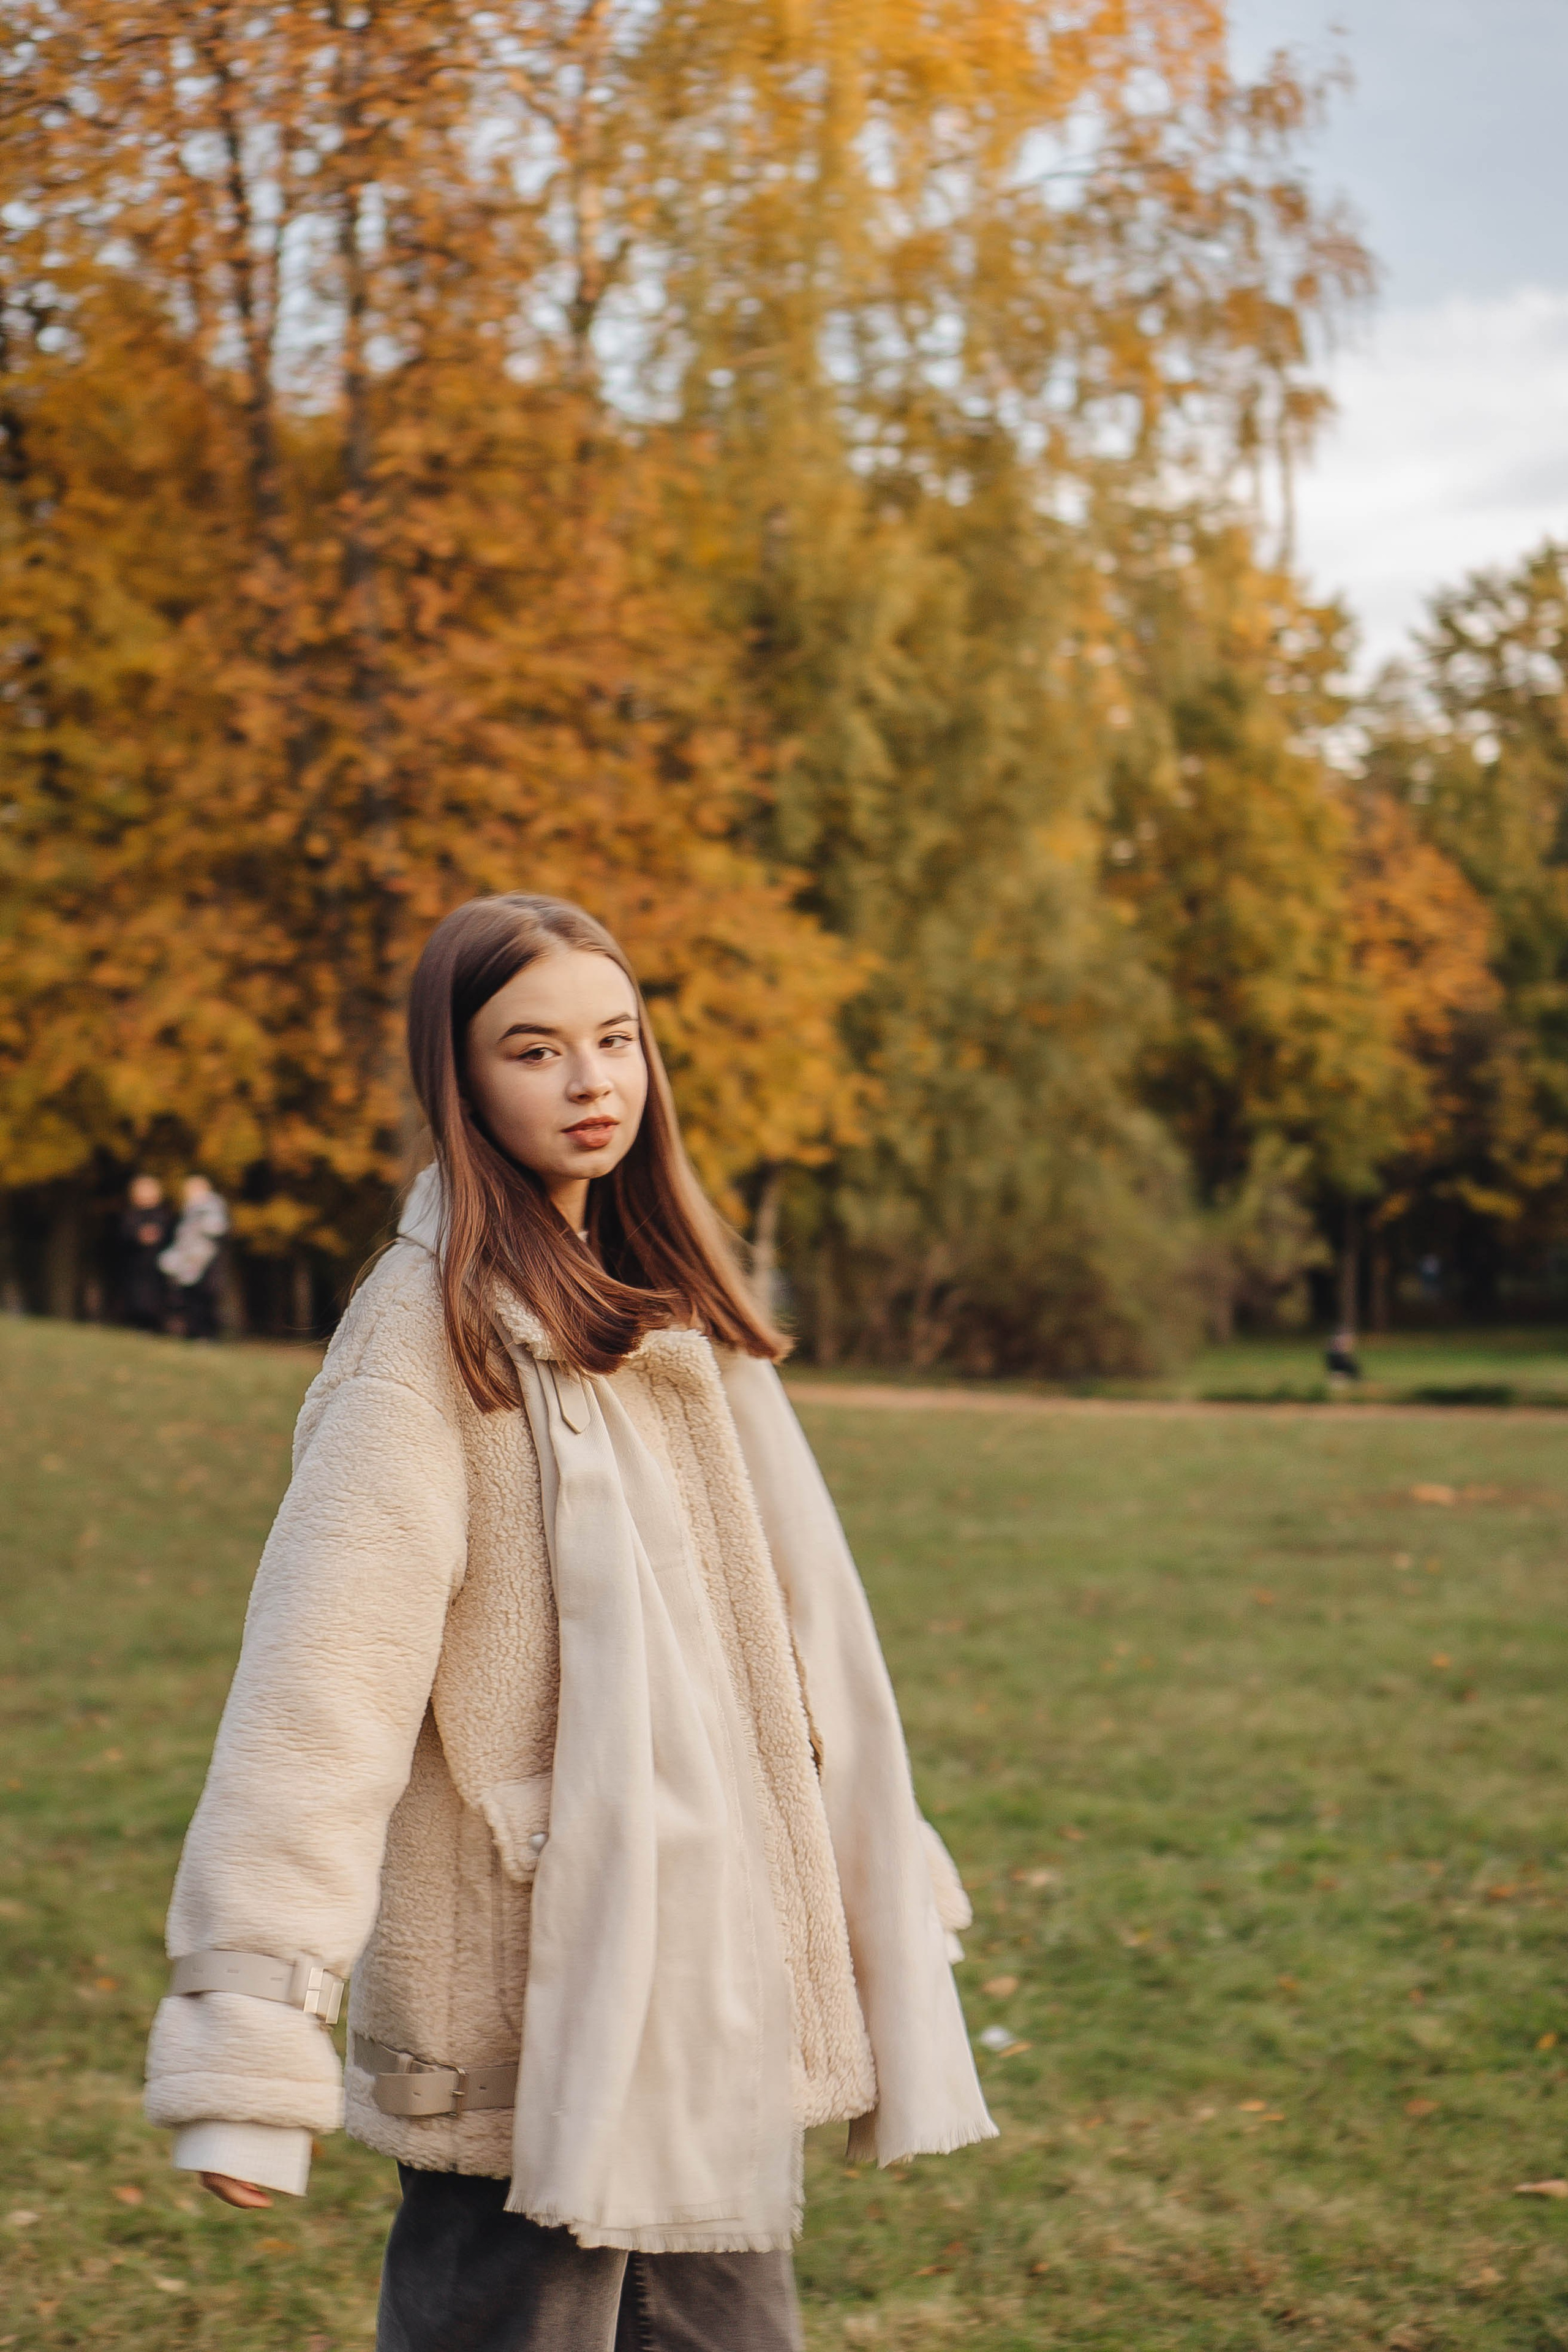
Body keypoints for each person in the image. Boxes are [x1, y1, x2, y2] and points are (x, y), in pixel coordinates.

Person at [143, 894, 993, 2352]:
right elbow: (318, 1690)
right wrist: (249, 2032)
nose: (591, 1080)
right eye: (533, 1048)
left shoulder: (671, 1310)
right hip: (529, 2000)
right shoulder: (422, 1340)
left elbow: (773, 1636)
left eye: (616, 1038)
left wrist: (869, 1853)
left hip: (708, 1962)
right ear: (460, 1082)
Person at [158, 1174, 229, 1340]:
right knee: (189, 1298)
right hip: (189, 1260)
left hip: (204, 1261)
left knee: (204, 1299)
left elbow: (216, 1229)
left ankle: (206, 1334)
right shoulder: (189, 1209)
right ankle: (193, 1332)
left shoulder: (209, 1207)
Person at [119, 1175, 173, 1330]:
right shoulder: (130, 1215)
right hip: (135, 1266)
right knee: (136, 1299)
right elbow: (122, 1238)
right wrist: (138, 1236)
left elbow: (170, 1237)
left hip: (158, 1267)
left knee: (156, 1299)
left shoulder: (164, 1214)